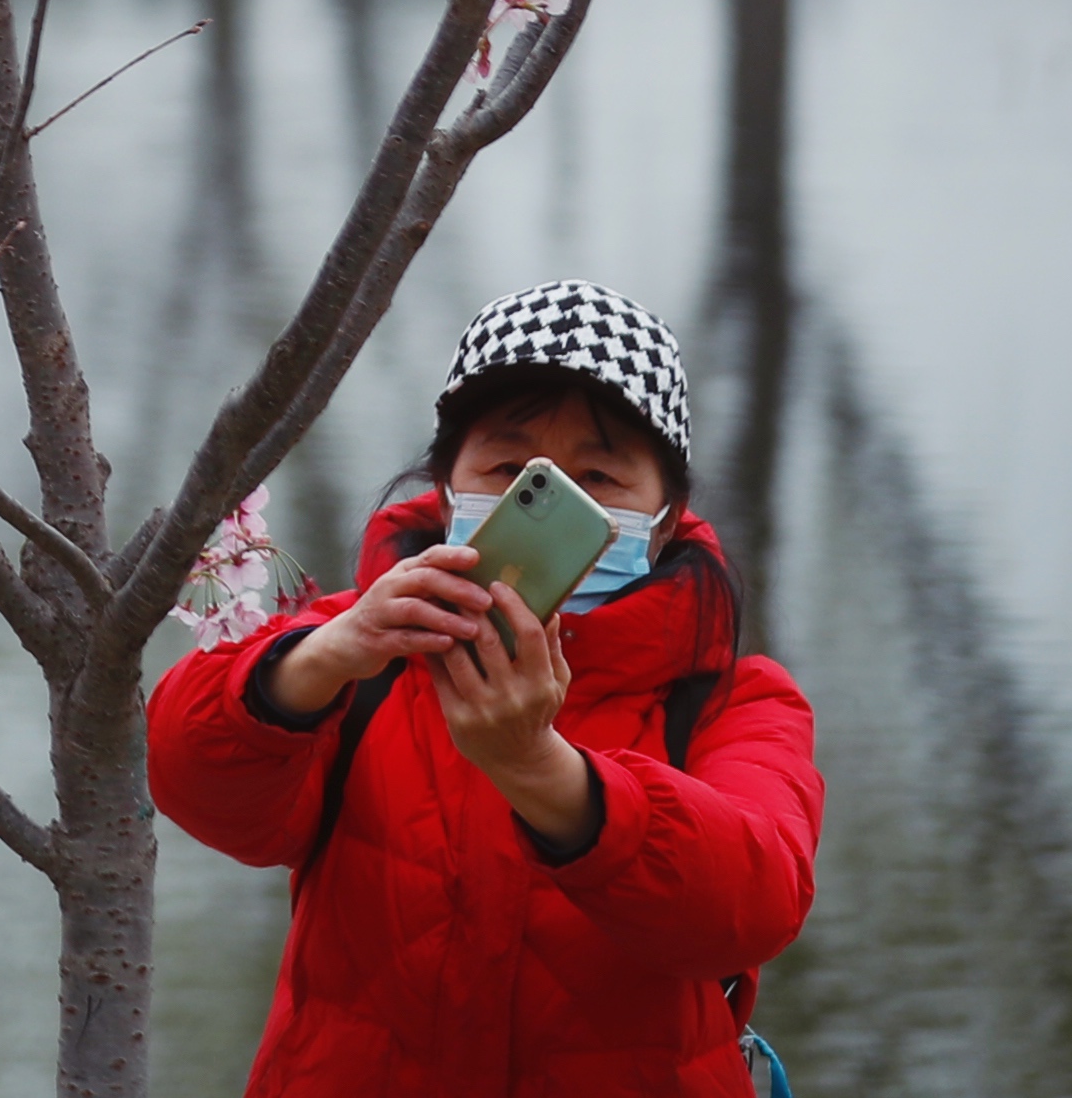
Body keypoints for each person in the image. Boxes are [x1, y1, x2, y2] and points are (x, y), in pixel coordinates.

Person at [152, 278, 820, 1096]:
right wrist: (320, 661)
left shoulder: (733, 701)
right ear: (446, 488)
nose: (537, 499)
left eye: (600, 480)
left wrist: (540, 770)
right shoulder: (362, 647)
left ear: (669, 515)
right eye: (509, 467)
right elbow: (199, 785)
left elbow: (750, 908)